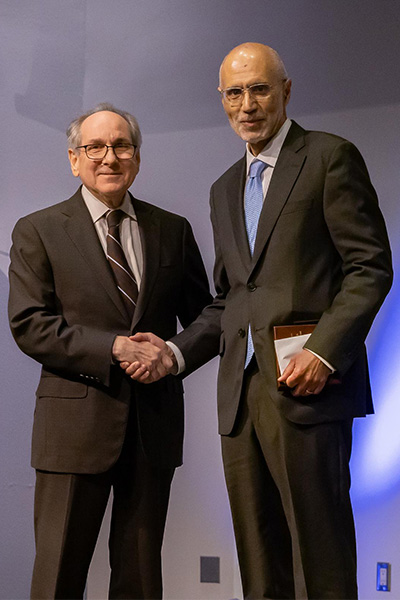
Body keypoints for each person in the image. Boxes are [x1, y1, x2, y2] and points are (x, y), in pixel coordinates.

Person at [124, 44, 393, 599]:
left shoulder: (329, 157)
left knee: (321, 559)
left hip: (308, 389)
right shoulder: (224, 188)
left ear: (286, 91)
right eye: (234, 92)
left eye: (259, 89)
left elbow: (369, 267)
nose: (247, 105)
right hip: (240, 399)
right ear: (221, 99)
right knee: (259, 560)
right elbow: (232, 299)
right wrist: (174, 353)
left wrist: (322, 352)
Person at [8, 103, 213, 600]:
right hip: (72, 433)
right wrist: (114, 347)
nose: (109, 157)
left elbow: (212, 316)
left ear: (137, 158)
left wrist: (171, 354)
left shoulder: (173, 229)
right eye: (95, 147)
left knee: (140, 581)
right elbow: (30, 324)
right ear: (73, 159)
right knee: (58, 578)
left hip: (152, 430)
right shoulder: (38, 230)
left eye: (122, 145)